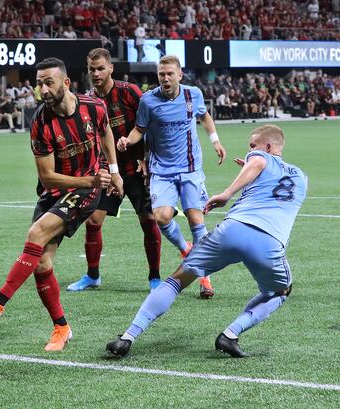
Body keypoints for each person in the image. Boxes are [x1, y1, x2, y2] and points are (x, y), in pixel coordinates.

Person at [0, 57, 123, 351]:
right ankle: (62, 328)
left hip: (86, 192)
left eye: (49, 83)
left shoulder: (93, 107)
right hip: (59, 190)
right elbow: (48, 178)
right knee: (42, 263)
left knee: (35, 234)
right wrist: (90, 180)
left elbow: (105, 131)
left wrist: (112, 171)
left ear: (66, 83)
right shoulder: (40, 122)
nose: (43, 90)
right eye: (39, 84)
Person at [106, 124, 306, 358]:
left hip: (232, 230)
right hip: (269, 243)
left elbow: (258, 162)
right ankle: (231, 335)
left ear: (269, 146)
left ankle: (127, 337)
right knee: (282, 290)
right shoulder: (301, 177)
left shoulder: (259, 157)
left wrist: (227, 193)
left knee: (178, 279)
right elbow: (271, 186)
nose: (250, 149)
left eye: (253, 145)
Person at [117, 55, 226, 299]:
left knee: (196, 219)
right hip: (162, 170)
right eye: (161, 74)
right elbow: (139, 130)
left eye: (169, 74)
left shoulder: (192, 95)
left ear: (179, 75)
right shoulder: (148, 101)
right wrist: (127, 140)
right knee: (161, 216)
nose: (165, 78)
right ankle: (185, 249)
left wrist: (215, 141)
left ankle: (205, 277)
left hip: (190, 167)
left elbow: (204, 116)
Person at [67, 48, 162, 292]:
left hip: (137, 168)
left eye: (100, 68)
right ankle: (93, 275)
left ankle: (154, 277)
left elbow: (150, 125)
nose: (96, 73)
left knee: (148, 220)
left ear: (111, 68)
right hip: (109, 171)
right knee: (93, 221)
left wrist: (147, 159)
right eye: (92, 69)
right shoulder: (89, 100)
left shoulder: (129, 92)